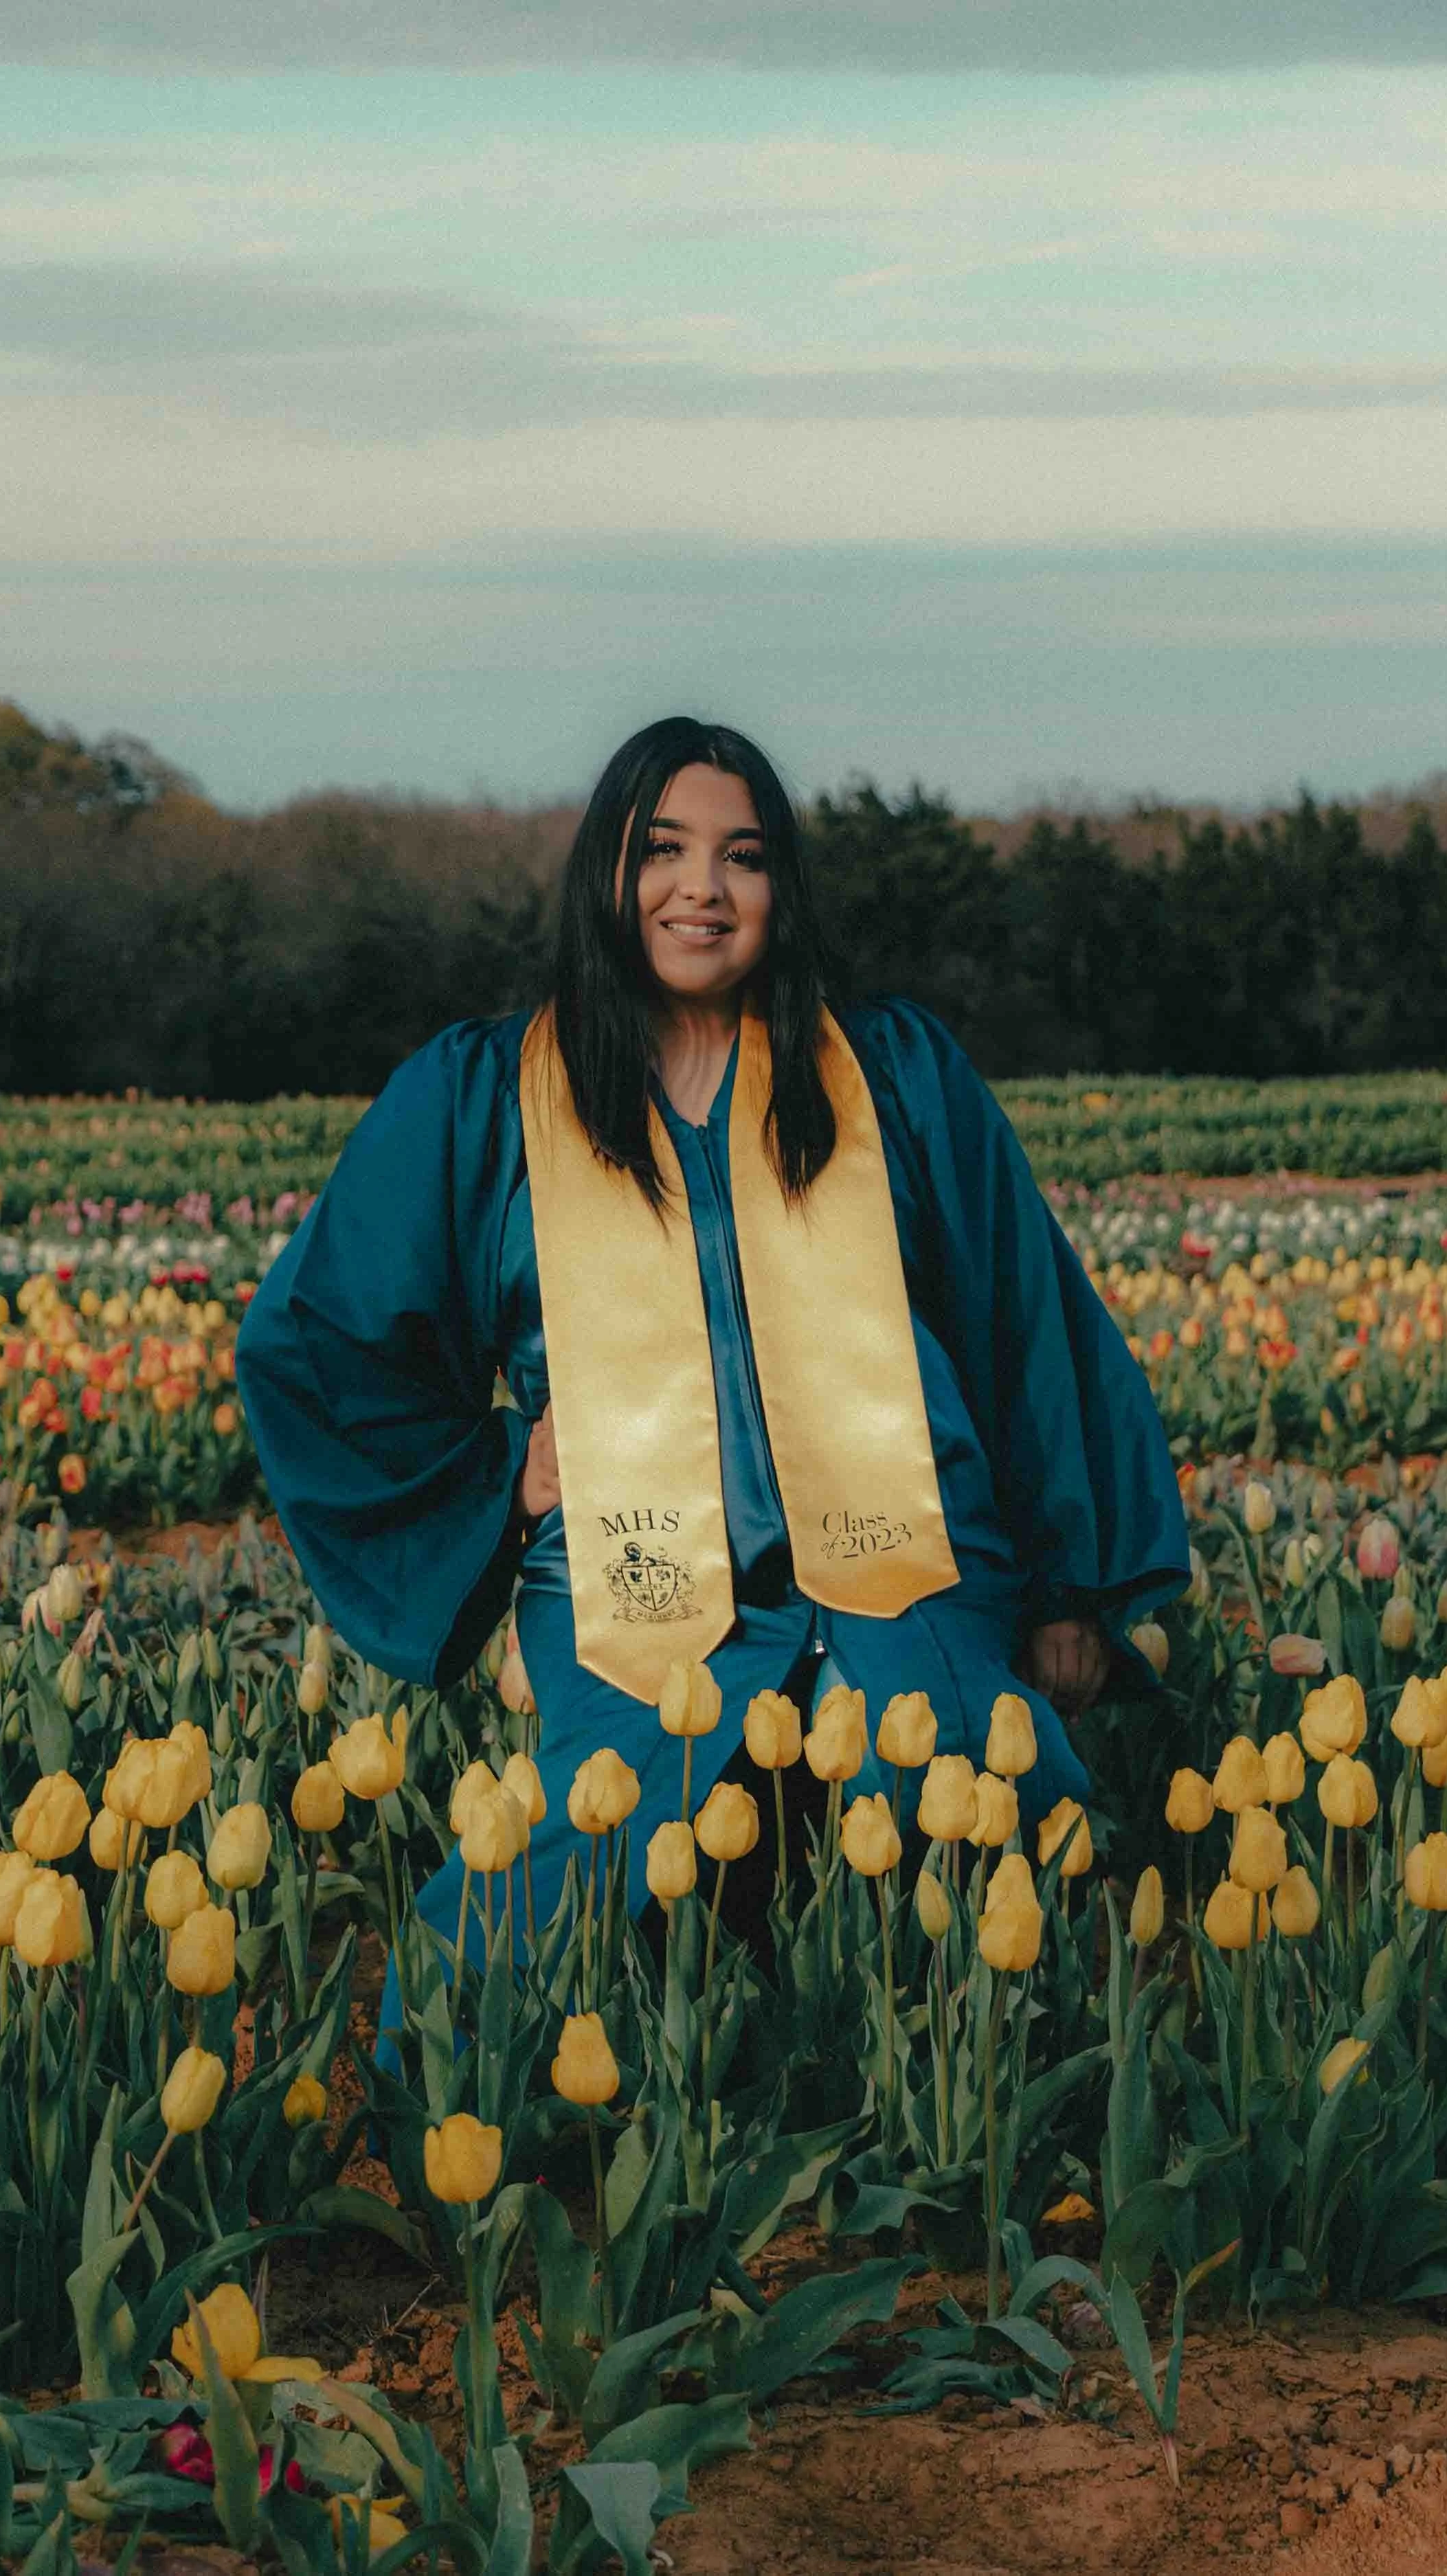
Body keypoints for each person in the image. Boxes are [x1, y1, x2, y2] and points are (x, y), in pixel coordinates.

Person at [235, 715, 1190, 2024]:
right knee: (543, 1907)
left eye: (742, 855)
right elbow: (315, 1340)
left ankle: (968, 2086)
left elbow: (1024, 1319)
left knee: (992, 1804)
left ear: (779, 890)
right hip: (633, 1581)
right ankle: (501, 2116)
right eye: (664, 851)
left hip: (904, 1556)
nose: (703, 887)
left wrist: (1069, 1584)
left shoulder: (892, 1076)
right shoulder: (488, 1098)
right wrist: (505, 1477)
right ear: (607, 877)